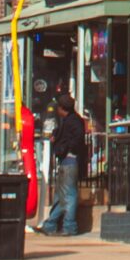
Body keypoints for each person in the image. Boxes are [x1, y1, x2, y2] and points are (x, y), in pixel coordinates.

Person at [37, 91, 85, 236]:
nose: (57, 110)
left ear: (62, 109)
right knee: (60, 195)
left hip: (70, 161)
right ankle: (50, 224)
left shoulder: (74, 121)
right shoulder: (68, 121)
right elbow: (62, 134)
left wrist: (64, 148)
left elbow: (76, 140)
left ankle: (69, 226)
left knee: (69, 194)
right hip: (66, 161)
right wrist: (55, 136)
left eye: (58, 108)